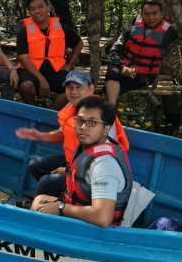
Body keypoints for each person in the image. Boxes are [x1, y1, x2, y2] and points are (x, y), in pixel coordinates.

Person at [31, 96, 132, 228]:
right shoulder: (89, 147)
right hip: (82, 210)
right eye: (80, 121)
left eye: (92, 122)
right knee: (40, 200)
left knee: (39, 204)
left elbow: (102, 217)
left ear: (106, 129)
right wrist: (68, 171)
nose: (83, 127)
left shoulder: (104, 165)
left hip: (93, 230)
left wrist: (61, 207)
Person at [16, 71, 128, 181]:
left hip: (95, 170)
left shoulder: (101, 113)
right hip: (73, 160)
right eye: (70, 88)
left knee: (48, 182)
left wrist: (70, 171)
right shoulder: (72, 107)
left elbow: (105, 154)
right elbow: (62, 133)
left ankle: (66, 192)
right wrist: (40, 135)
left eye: (79, 87)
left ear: (91, 88)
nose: (73, 92)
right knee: (36, 166)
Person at [105, 0, 177, 106]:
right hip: (123, 69)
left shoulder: (169, 31)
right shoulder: (133, 25)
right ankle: (111, 109)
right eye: (147, 14)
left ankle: (109, 109)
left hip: (145, 75)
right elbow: (116, 49)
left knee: (107, 90)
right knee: (112, 71)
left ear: (162, 14)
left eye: (154, 13)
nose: (151, 17)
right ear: (142, 14)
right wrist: (122, 67)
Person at [16, 0, 82, 104]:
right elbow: (23, 58)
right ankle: (32, 110)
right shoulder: (24, 31)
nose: (37, 11)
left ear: (48, 8)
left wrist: (69, 65)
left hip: (56, 70)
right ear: (29, 12)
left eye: (40, 7)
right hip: (31, 71)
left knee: (74, 88)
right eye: (33, 9)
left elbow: (79, 43)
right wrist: (41, 80)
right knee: (26, 86)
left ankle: (52, 111)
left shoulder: (61, 27)